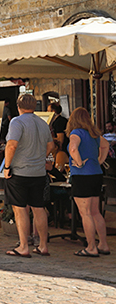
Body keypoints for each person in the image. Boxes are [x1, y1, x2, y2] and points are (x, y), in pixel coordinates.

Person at [4, 94, 54, 258]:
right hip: (38, 172)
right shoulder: (42, 123)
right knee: (39, 208)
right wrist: (39, 157)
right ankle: (43, 245)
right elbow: (51, 145)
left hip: (20, 171)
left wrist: (6, 166)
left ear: (18, 106)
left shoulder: (17, 122)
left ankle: (24, 246)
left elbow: (11, 145)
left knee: (20, 210)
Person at [66, 107, 111, 257]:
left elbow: (73, 149)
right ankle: (103, 244)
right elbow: (105, 146)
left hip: (82, 175)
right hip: (96, 174)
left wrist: (78, 162)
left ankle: (91, 247)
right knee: (95, 212)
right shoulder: (94, 134)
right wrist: (100, 160)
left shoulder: (76, 133)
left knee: (85, 213)